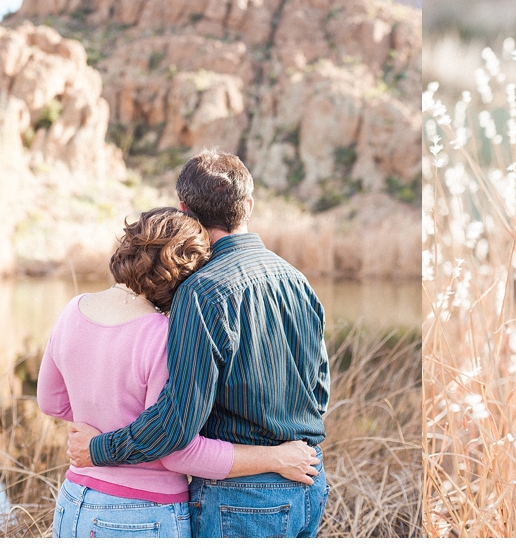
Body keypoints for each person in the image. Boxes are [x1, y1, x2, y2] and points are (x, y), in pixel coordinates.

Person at [67, 150, 330, 538]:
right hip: (309, 482)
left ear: (184, 209)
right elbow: (319, 392)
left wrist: (98, 449)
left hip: (241, 500)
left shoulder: (201, 292)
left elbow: (176, 422)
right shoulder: (296, 280)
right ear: (249, 206)